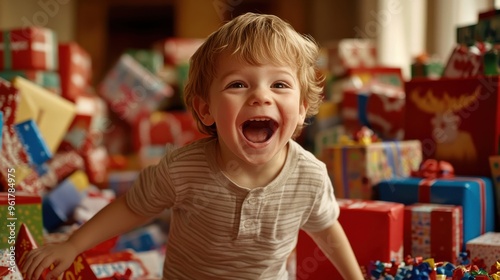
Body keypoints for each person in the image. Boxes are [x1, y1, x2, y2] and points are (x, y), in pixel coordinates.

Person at [23, 12, 364, 280]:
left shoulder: (310, 176)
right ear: (206, 109)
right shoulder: (183, 168)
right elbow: (133, 207)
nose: (261, 95)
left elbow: (327, 230)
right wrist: (73, 245)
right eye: (238, 84)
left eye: (279, 84)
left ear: (302, 107)